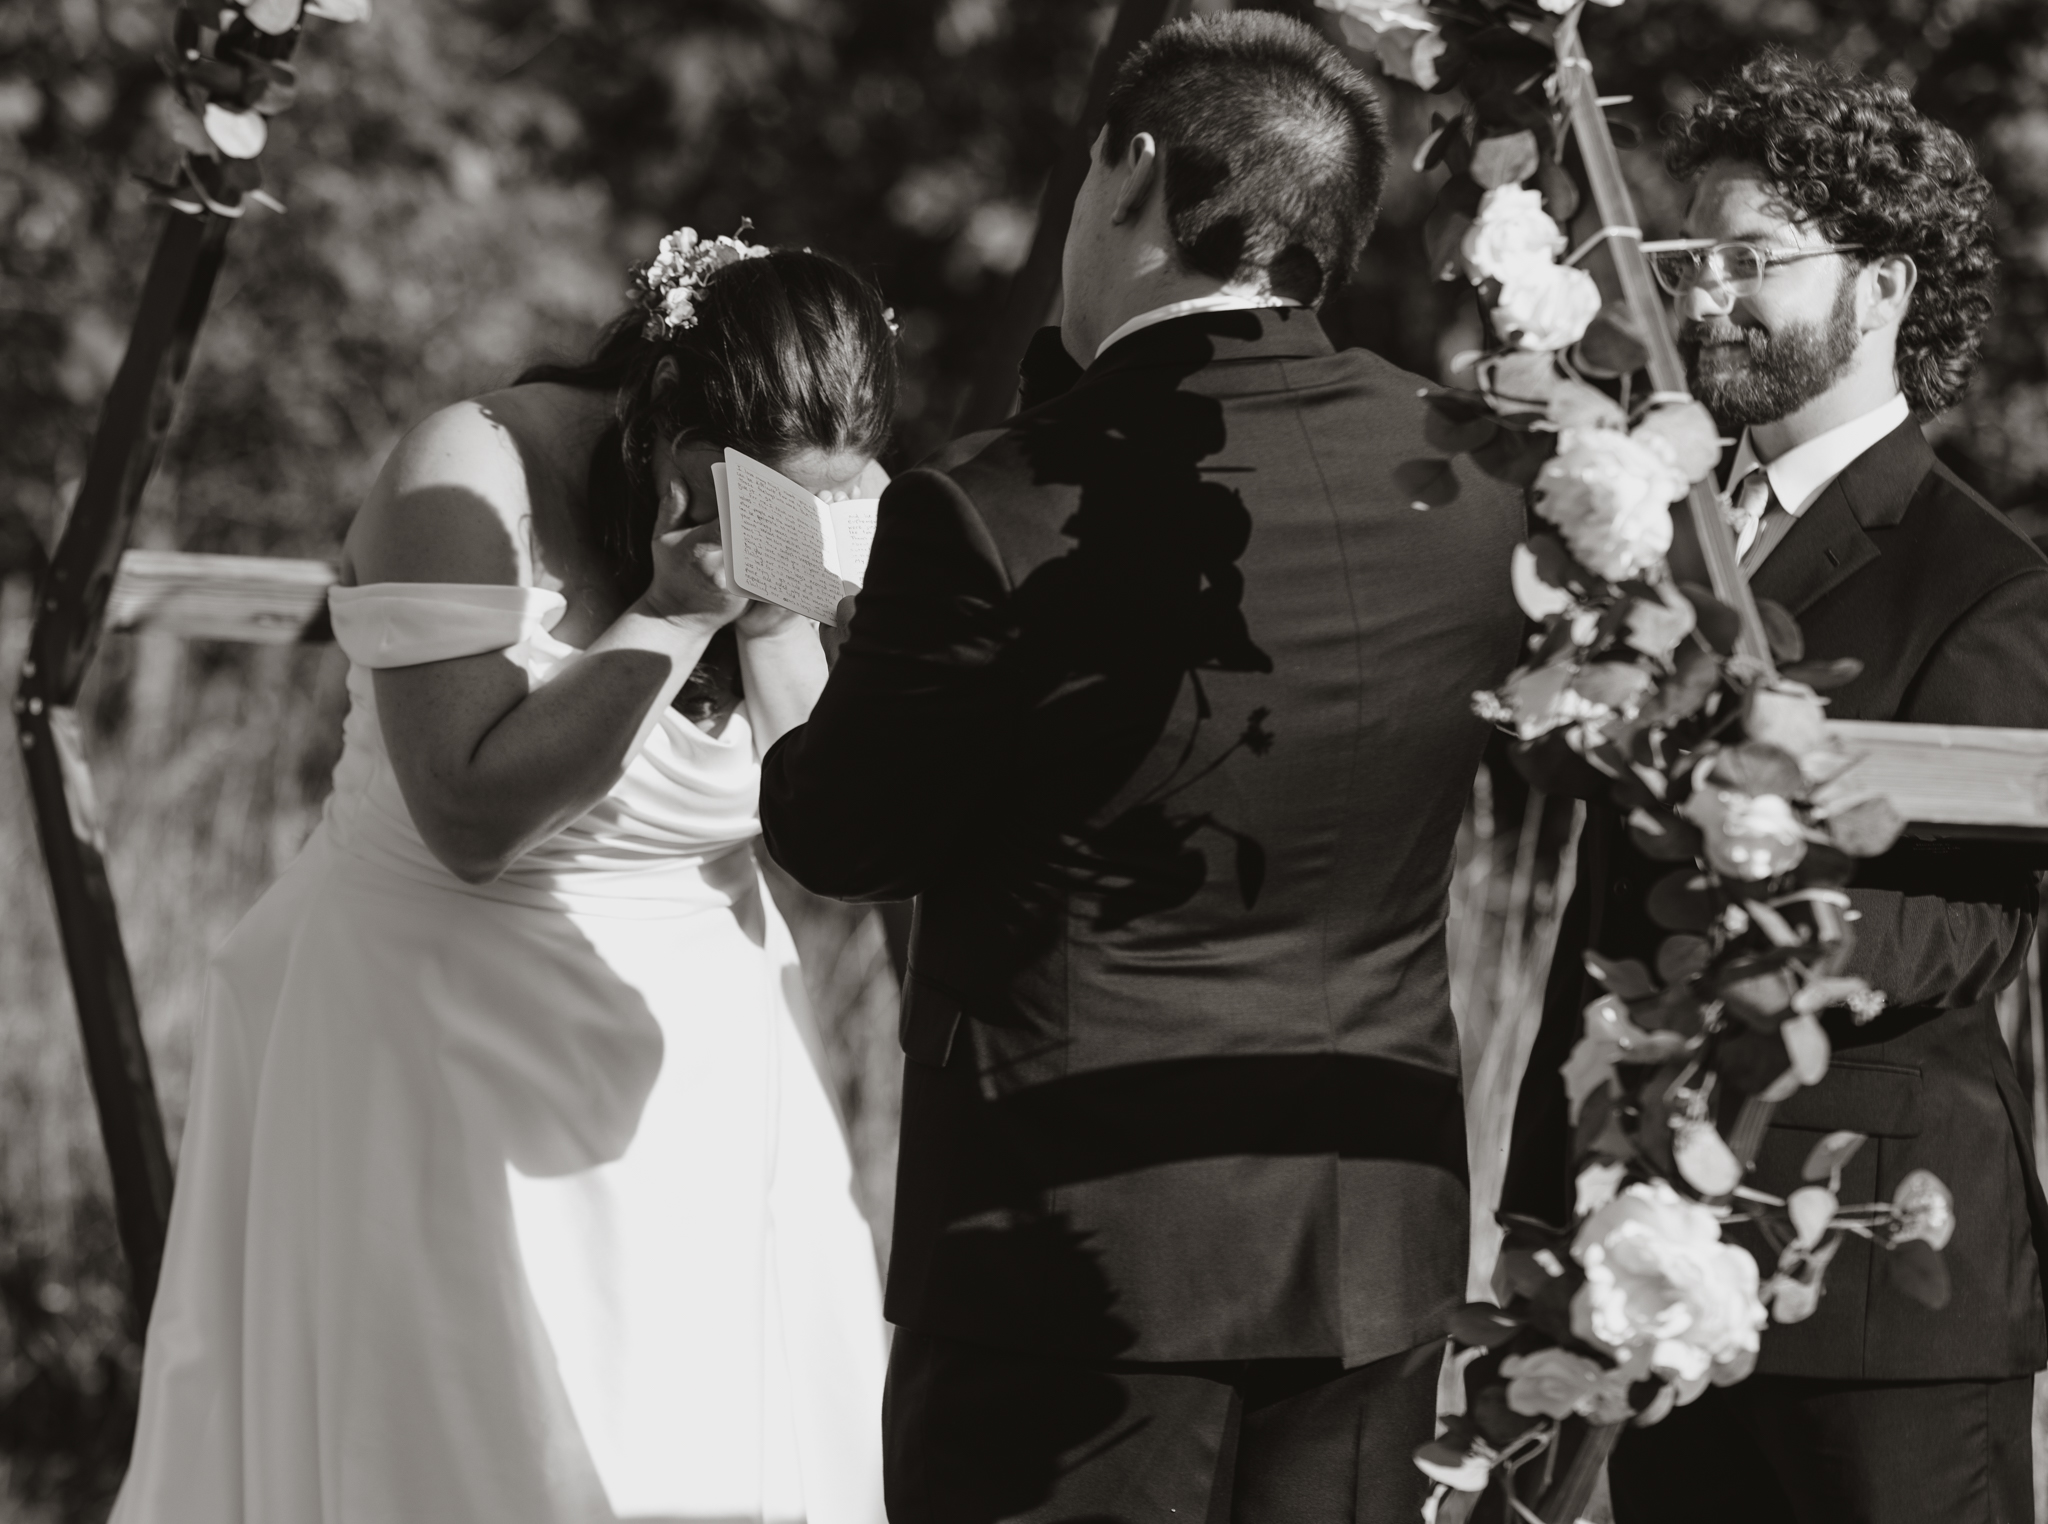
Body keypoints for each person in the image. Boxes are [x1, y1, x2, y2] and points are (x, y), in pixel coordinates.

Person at [759, 13, 1528, 1522]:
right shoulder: (1482, 473)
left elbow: (841, 834)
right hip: (1365, 1234)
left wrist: (813, 630)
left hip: (1071, 1262)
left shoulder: (995, 502)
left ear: (1126, 170)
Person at [111, 234, 893, 1524]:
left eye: (826, 496)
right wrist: (678, 613)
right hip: (431, 1043)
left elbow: (818, 808)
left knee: (688, 1449)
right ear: (665, 420)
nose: (795, 525)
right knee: (462, 1452)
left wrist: (775, 613)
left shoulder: (790, 503)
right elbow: (470, 816)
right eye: (769, 495)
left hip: (698, 1072)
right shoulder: (464, 473)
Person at [1501, 52, 2048, 1524]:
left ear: (1880, 287)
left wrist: (1733, 972)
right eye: (1696, 256)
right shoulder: (1650, 545)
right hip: (1652, 1269)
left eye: (1757, 258)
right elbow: (1598, 896)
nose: (1710, 293)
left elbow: (1971, 923)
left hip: (1884, 1281)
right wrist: (1544, 1205)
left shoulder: (1985, 581)